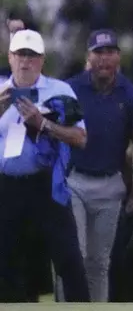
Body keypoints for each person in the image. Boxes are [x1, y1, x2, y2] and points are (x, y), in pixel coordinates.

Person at [0, 29, 90, 302]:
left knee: (68, 258)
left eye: (32, 56)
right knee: (7, 260)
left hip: (46, 183)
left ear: (42, 60)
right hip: (6, 188)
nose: (25, 62)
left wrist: (44, 125)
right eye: (20, 55)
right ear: (10, 57)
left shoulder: (60, 91)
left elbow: (80, 138)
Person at [63, 29, 133, 302]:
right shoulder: (72, 89)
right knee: (74, 255)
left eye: (110, 52)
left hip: (111, 185)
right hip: (74, 180)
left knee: (99, 262)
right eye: (98, 53)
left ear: (118, 58)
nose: (104, 59)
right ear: (89, 57)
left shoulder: (131, 96)